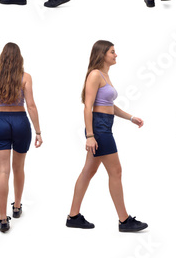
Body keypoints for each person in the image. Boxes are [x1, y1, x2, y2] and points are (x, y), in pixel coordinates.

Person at [67, 41, 148, 232]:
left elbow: (109, 106)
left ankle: (73, 216)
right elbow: (88, 106)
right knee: (116, 172)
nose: (116, 55)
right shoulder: (95, 75)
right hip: (100, 128)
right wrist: (90, 135)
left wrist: (130, 117)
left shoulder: (105, 75)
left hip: (104, 125)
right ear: (102, 54)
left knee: (88, 171)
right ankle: (124, 220)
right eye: (112, 52)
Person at [0, 43, 42, 232]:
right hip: (20, 122)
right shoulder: (25, 77)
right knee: (18, 167)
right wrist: (38, 132)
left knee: (2, 171)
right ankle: (17, 207)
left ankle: (3, 219)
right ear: (19, 58)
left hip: (1, 120)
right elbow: (31, 106)